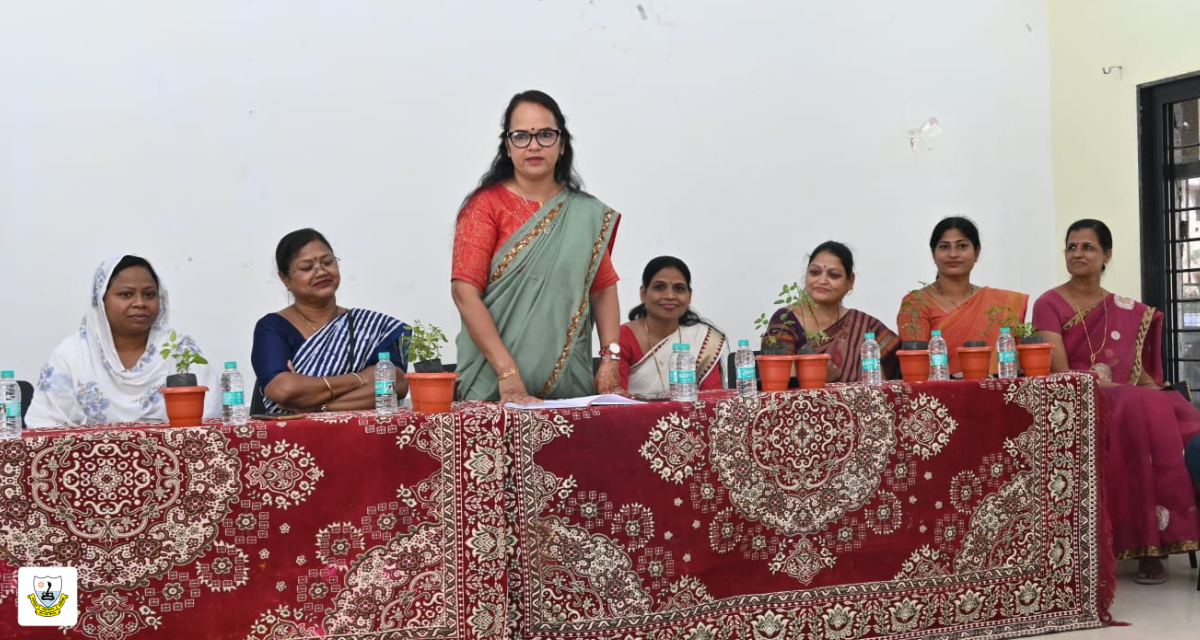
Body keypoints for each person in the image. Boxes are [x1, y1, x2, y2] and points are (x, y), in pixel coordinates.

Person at [1033, 218, 1200, 584]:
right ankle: (1145, 548)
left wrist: (1154, 387)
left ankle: (1167, 536)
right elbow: (1061, 371)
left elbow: (1137, 372)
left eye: (1087, 247)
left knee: (1179, 415)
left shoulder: (1124, 308)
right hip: (1079, 398)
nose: (1077, 254)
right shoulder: (1048, 303)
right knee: (1138, 408)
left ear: (1106, 255)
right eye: (1071, 247)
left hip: (1127, 399)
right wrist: (1119, 388)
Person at [451, 90, 622, 402]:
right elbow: (464, 293)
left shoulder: (585, 213)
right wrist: (507, 373)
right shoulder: (485, 207)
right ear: (507, 146)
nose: (533, 145)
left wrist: (610, 357)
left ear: (561, 143)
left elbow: (602, 289)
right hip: (493, 386)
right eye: (521, 136)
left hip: (570, 384)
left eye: (545, 134)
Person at [26, 255, 221, 427]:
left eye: (149, 294)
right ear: (101, 300)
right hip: (86, 457)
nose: (140, 303)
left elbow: (210, 421)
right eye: (126, 294)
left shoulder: (180, 350)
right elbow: (43, 425)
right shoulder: (73, 354)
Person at [251, 229, 411, 413]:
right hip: (296, 431)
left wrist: (318, 406)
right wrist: (362, 378)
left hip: (362, 429)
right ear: (285, 278)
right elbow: (283, 389)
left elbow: (396, 384)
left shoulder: (370, 326)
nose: (321, 271)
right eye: (306, 267)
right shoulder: (273, 328)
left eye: (327, 262)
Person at [896, 217, 1028, 375]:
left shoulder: (1002, 302)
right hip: (938, 389)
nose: (953, 254)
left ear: (977, 252)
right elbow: (916, 367)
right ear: (933, 254)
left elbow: (1017, 362)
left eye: (962, 246)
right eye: (944, 247)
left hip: (996, 388)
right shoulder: (916, 304)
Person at [762, 241, 900, 381]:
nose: (822, 280)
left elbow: (899, 368)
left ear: (850, 281)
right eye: (815, 272)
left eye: (833, 275)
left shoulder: (864, 326)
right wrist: (815, 377)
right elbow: (777, 380)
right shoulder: (785, 321)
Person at [620, 256, 727, 395]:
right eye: (659, 287)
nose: (670, 295)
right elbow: (614, 399)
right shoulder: (623, 336)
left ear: (689, 296)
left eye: (679, 288)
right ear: (643, 293)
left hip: (690, 410)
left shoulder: (702, 339)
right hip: (632, 410)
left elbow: (713, 398)